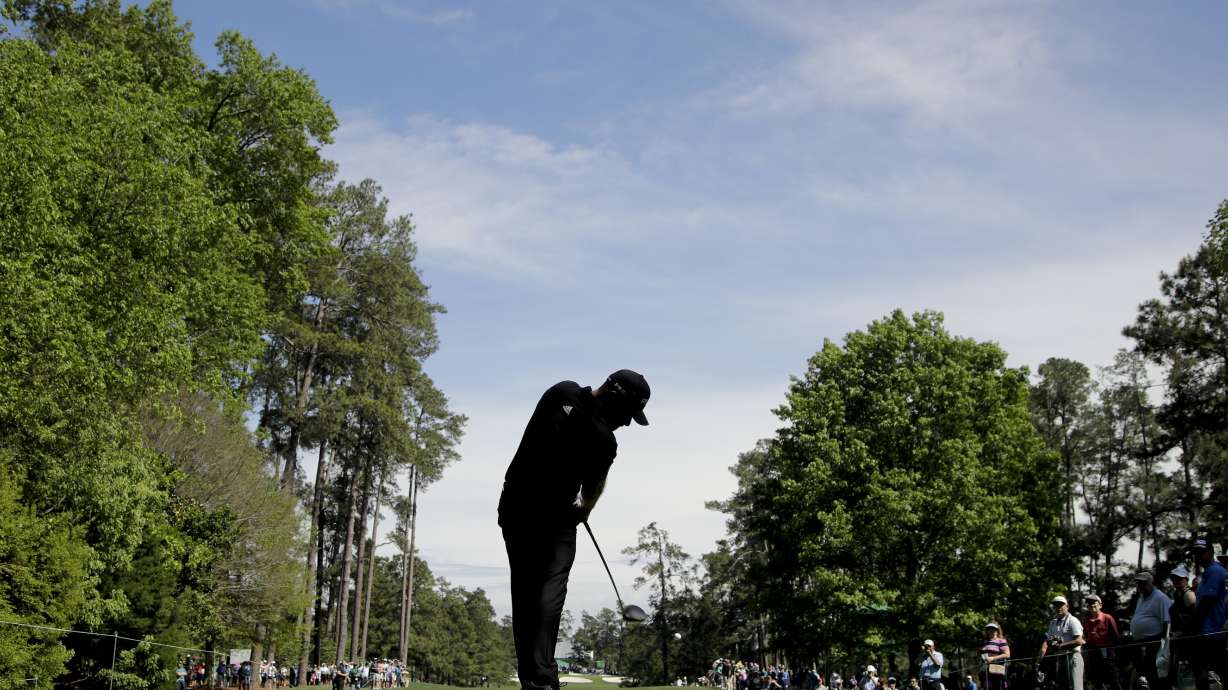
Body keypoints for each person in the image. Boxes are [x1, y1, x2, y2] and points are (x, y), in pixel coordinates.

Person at [498, 369, 651, 690]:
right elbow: (592, 489)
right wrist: (584, 509)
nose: (625, 423)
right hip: (551, 520)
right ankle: (541, 679)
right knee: (547, 596)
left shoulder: (560, 392)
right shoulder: (604, 440)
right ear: (614, 395)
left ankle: (535, 678)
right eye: (627, 414)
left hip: (515, 509)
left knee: (526, 595)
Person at [1191, 539, 1227, 690]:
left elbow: (1207, 602)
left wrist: (1191, 625)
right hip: (1206, 630)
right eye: (1195, 553)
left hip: (1213, 630)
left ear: (1210, 553)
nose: (1197, 556)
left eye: (1201, 553)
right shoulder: (1207, 573)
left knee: (1205, 670)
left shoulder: (1215, 570)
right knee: (1204, 670)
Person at [1129, 571, 1172, 690]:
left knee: (1157, 676)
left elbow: (1166, 622)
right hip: (1140, 644)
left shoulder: (1160, 598)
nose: (1140, 587)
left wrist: (1163, 646)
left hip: (1155, 642)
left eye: (1143, 583)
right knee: (1145, 677)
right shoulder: (1141, 599)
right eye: (1138, 584)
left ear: (1150, 583)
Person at [1040, 596, 1085, 690]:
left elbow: (1079, 641)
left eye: (1061, 605)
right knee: (1062, 687)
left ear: (1067, 606)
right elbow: (1048, 640)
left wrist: (1061, 645)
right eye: (1056, 605)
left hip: (1073, 657)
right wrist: (1051, 642)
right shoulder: (1053, 623)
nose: (1058, 607)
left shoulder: (1073, 620)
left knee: (1076, 687)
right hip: (1060, 658)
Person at [1081, 594, 1121, 690]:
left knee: (1113, 681)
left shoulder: (1108, 618)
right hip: (1093, 653)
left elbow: (1115, 637)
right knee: (1097, 682)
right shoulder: (1085, 620)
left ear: (1100, 605)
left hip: (1107, 653)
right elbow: (1085, 636)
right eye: (1089, 603)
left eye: (1094, 602)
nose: (1091, 605)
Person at [980, 622, 1010, 690]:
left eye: (993, 629)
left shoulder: (1001, 641)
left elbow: (1007, 654)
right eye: (989, 629)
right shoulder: (985, 642)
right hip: (986, 670)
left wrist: (993, 658)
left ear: (997, 630)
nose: (991, 630)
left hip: (997, 669)